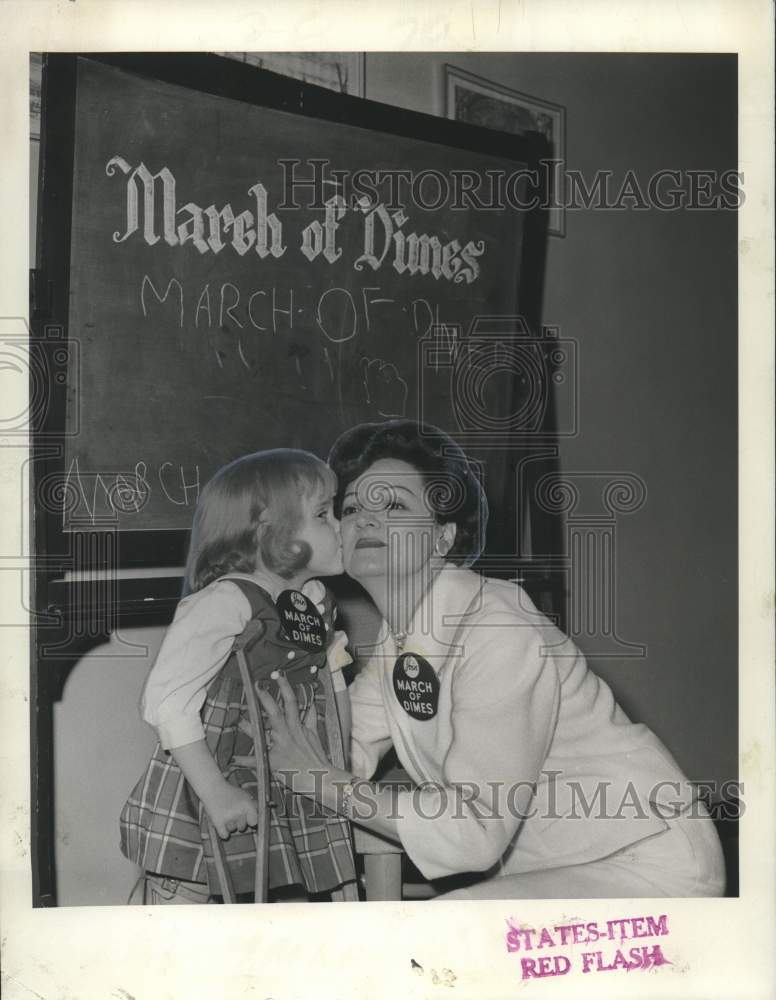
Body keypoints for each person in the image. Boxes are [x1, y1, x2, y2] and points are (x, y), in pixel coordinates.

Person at [257, 420, 726, 899]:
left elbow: (472, 830)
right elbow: (339, 751)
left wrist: (317, 780)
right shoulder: (400, 641)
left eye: (394, 505)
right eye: (352, 507)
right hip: (568, 866)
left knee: (446, 928)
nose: (366, 520)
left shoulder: (497, 628)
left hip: (648, 862)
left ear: (442, 537)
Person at [119, 449, 357, 904]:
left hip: (287, 777)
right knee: (187, 901)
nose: (341, 525)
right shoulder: (226, 602)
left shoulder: (315, 600)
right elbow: (167, 701)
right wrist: (214, 792)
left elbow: (333, 689)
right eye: (323, 514)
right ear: (268, 530)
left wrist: (339, 765)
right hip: (216, 777)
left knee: (276, 892)